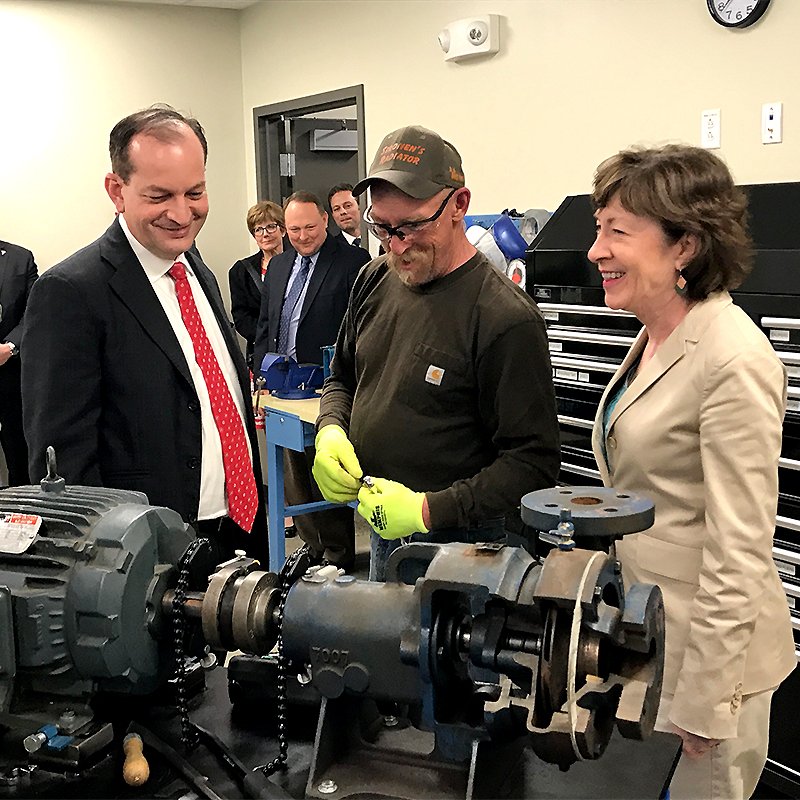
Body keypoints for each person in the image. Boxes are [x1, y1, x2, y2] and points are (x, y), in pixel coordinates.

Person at [587, 143, 796, 800]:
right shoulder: (655, 336)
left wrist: (705, 705)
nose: (596, 250)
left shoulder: (732, 359)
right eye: (599, 229)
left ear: (685, 247)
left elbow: (739, 552)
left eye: (617, 231)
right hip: (653, 639)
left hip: (711, 670)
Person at [311, 125, 560, 580]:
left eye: (413, 225)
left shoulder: (504, 318)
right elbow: (342, 376)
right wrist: (330, 428)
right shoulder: (374, 279)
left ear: (458, 205)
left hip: (470, 548)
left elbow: (532, 465)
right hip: (388, 529)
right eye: (383, 228)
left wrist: (428, 510)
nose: (397, 244)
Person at [22, 104, 267, 566]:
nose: (182, 213)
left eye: (195, 192)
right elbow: (63, 466)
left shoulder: (195, 269)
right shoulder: (71, 293)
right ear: (117, 190)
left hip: (234, 531)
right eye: (160, 196)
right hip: (142, 560)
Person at [253, 190, 370, 569]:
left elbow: (360, 326)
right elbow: (267, 323)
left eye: (309, 227)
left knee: (325, 470)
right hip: (282, 385)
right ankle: (311, 545)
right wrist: (260, 371)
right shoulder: (281, 265)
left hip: (325, 387)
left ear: (324, 219)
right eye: (294, 229)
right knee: (292, 475)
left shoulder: (353, 261)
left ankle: (337, 552)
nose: (302, 236)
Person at [228, 200, 285, 369]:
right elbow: (241, 316)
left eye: (270, 227)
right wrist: (267, 336)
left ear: (283, 230)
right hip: (261, 353)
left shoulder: (299, 263)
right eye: (258, 229)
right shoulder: (240, 271)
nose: (264, 234)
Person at [0, 239, 37, 486]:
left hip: (11, 377)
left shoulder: (20, 258)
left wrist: (11, 347)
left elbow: (34, 311)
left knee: (20, 463)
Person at [327, 183, 365, 248]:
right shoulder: (330, 249)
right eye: (336, 209)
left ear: (360, 206)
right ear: (333, 215)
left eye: (348, 206)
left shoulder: (379, 241)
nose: (343, 212)